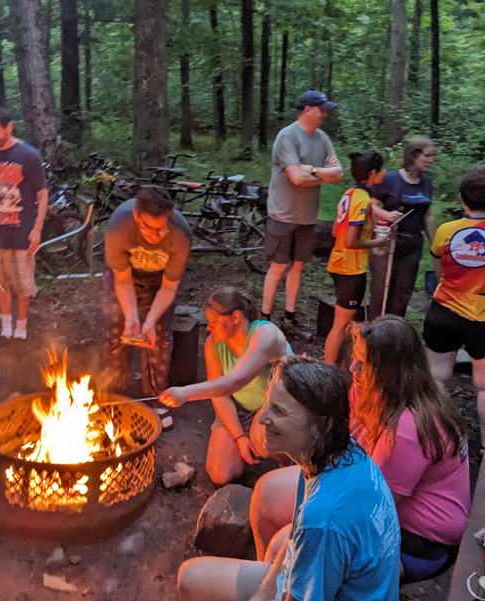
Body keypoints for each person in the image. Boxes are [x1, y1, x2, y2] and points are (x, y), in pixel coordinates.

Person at [249, 318, 470, 584]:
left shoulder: (407, 430)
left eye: (363, 363)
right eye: (355, 357)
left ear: (391, 371)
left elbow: (365, 509)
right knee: (265, 495)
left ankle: (286, 584)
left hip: (417, 538)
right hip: (371, 495)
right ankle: (268, 581)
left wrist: (304, 529)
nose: (353, 367)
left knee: (284, 547)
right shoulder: (372, 389)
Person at [178, 356, 400, 601]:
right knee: (191, 576)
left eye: (279, 411)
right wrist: (263, 594)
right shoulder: (345, 453)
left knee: (190, 578)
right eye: (267, 404)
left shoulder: (322, 518)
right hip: (338, 581)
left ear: (321, 426)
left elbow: (312, 531)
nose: (262, 418)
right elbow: (296, 534)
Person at [424, 170, 485, 448]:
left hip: (444, 311)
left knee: (437, 379)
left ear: (460, 198)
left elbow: (439, 270)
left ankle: (430, 438)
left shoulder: (445, 231)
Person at [158, 287, 292, 485]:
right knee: (220, 473)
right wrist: (238, 436)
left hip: (275, 406)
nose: (208, 328)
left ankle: (288, 462)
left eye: (214, 322)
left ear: (236, 317)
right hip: (239, 408)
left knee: (261, 438)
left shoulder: (265, 334)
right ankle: (247, 443)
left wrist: (185, 393)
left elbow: (236, 380)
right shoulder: (213, 344)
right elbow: (220, 394)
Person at [261, 90, 344, 333]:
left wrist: (312, 170)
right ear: (307, 109)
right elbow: (296, 178)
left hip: (307, 216)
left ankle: (289, 317)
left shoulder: (322, 138)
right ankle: (264, 317)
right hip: (283, 214)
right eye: (322, 109)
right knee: (278, 266)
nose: (325, 114)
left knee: (298, 266)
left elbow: (339, 174)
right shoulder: (287, 136)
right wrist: (320, 173)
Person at [103, 186, 192, 397]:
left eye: (161, 229)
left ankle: (154, 398)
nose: (155, 236)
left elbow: (169, 286)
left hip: (159, 282)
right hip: (125, 276)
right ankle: (115, 394)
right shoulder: (119, 229)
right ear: (136, 216)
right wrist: (132, 317)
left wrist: (149, 321)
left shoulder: (180, 235)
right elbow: (122, 280)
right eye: (149, 229)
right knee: (117, 332)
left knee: (158, 337)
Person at [0, 105, 49, 348]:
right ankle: (6, 326)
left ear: (9, 127)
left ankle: (22, 326)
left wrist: (37, 228)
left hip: (21, 232)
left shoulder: (28, 155)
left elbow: (42, 193)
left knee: (22, 285)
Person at [324, 151, 390, 365]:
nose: (385, 173)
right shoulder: (362, 200)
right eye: (382, 169)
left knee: (347, 321)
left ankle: (341, 366)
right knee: (340, 326)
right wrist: (378, 242)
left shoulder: (349, 193)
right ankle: (328, 372)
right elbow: (350, 241)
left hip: (338, 262)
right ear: (373, 173)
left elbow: (336, 231)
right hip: (351, 268)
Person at [367, 135, 437, 319]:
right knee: (381, 288)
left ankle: (395, 331)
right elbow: (369, 205)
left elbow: (428, 215)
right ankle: (375, 331)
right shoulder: (390, 179)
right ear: (413, 156)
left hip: (413, 242)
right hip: (387, 241)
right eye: (427, 156)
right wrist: (386, 215)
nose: (430, 161)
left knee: (403, 292)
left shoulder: (427, 182)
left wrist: (436, 245)